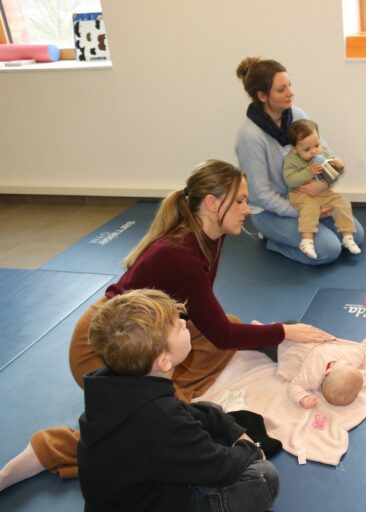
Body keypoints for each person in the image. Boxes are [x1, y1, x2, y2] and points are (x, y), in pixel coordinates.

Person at [0, 159, 332, 491]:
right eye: (241, 200)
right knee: (159, 425)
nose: (248, 208)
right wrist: (283, 331)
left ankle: (171, 391)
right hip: (107, 347)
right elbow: (221, 335)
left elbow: (210, 322)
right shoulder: (181, 254)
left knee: (226, 331)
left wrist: (268, 334)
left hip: (151, 329)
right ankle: (47, 450)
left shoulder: (210, 233)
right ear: (212, 204)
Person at [78, 289, 279, 512]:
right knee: (264, 477)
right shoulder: (161, 420)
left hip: (126, 495)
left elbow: (192, 413)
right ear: (164, 361)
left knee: (210, 410)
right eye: (178, 326)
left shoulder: (116, 386)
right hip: (154, 502)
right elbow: (219, 467)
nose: (185, 323)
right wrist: (249, 449)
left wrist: (231, 429)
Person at [235, 56, 365, 265]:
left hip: (312, 197)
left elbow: (326, 155)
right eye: (281, 89)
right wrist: (304, 210)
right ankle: (272, 241)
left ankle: (306, 228)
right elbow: (260, 195)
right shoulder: (250, 136)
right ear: (262, 95)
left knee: (355, 236)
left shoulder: (297, 115)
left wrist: (321, 184)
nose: (290, 93)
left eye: (289, 85)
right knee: (329, 250)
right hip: (271, 212)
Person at [284, 119, 360, 260]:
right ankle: (306, 241)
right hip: (300, 195)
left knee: (342, 202)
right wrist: (309, 172)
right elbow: (289, 180)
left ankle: (347, 236)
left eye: (317, 145)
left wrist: (339, 165)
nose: (314, 151)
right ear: (294, 149)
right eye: (307, 149)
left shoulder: (322, 153)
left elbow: (334, 172)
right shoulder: (291, 160)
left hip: (323, 193)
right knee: (309, 208)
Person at [278, 326, 366, 409]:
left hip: (287, 349)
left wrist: (303, 398)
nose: (348, 362)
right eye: (351, 365)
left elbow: (294, 386)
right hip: (306, 338)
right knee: (293, 325)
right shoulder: (350, 360)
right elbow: (363, 351)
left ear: (327, 372)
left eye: (347, 365)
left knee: (270, 341)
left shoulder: (312, 377)